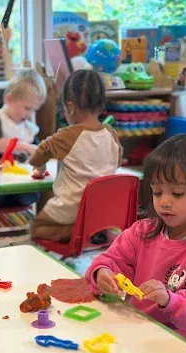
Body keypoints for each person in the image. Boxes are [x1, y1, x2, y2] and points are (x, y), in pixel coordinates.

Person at [86, 134, 186, 341]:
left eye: (177, 193)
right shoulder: (141, 233)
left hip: (177, 343)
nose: (164, 202)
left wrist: (169, 301)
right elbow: (109, 260)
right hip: (134, 329)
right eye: (157, 192)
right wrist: (103, 273)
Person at [30, 70, 122, 242]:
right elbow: (117, 161)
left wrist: (40, 168)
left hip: (72, 210)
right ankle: (94, 232)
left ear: (70, 107)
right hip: (102, 212)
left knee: (37, 229)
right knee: (85, 216)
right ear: (101, 105)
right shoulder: (111, 133)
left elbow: (38, 155)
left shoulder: (67, 135)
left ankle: (76, 233)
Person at [0, 68, 47, 209]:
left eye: (34, 110)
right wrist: (26, 147)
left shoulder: (29, 128)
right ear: (9, 99)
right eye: (27, 108)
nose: (30, 114)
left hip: (20, 181)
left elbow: (37, 152)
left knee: (33, 193)